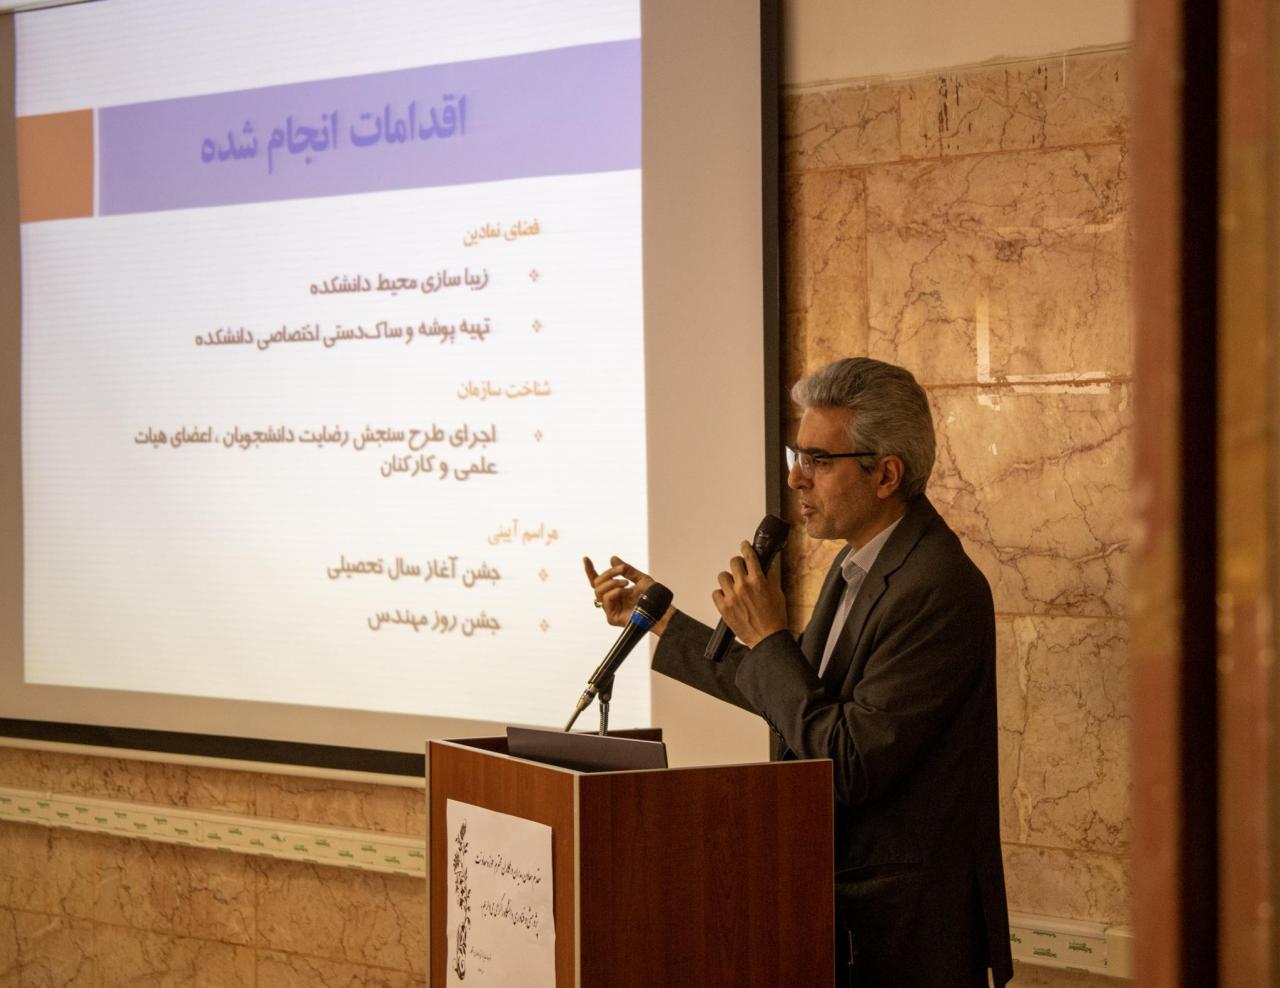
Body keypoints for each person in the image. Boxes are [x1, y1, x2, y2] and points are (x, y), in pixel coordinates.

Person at [584, 357, 1013, 987]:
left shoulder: (936, 587)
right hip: (841, 911)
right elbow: (795, 698)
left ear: (886, 474)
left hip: (905, 933)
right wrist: (663, 622)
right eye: (797, 454)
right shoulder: (857, 564)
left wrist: (769, 638)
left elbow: (847, 760)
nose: (795, 477)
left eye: (818, 459)